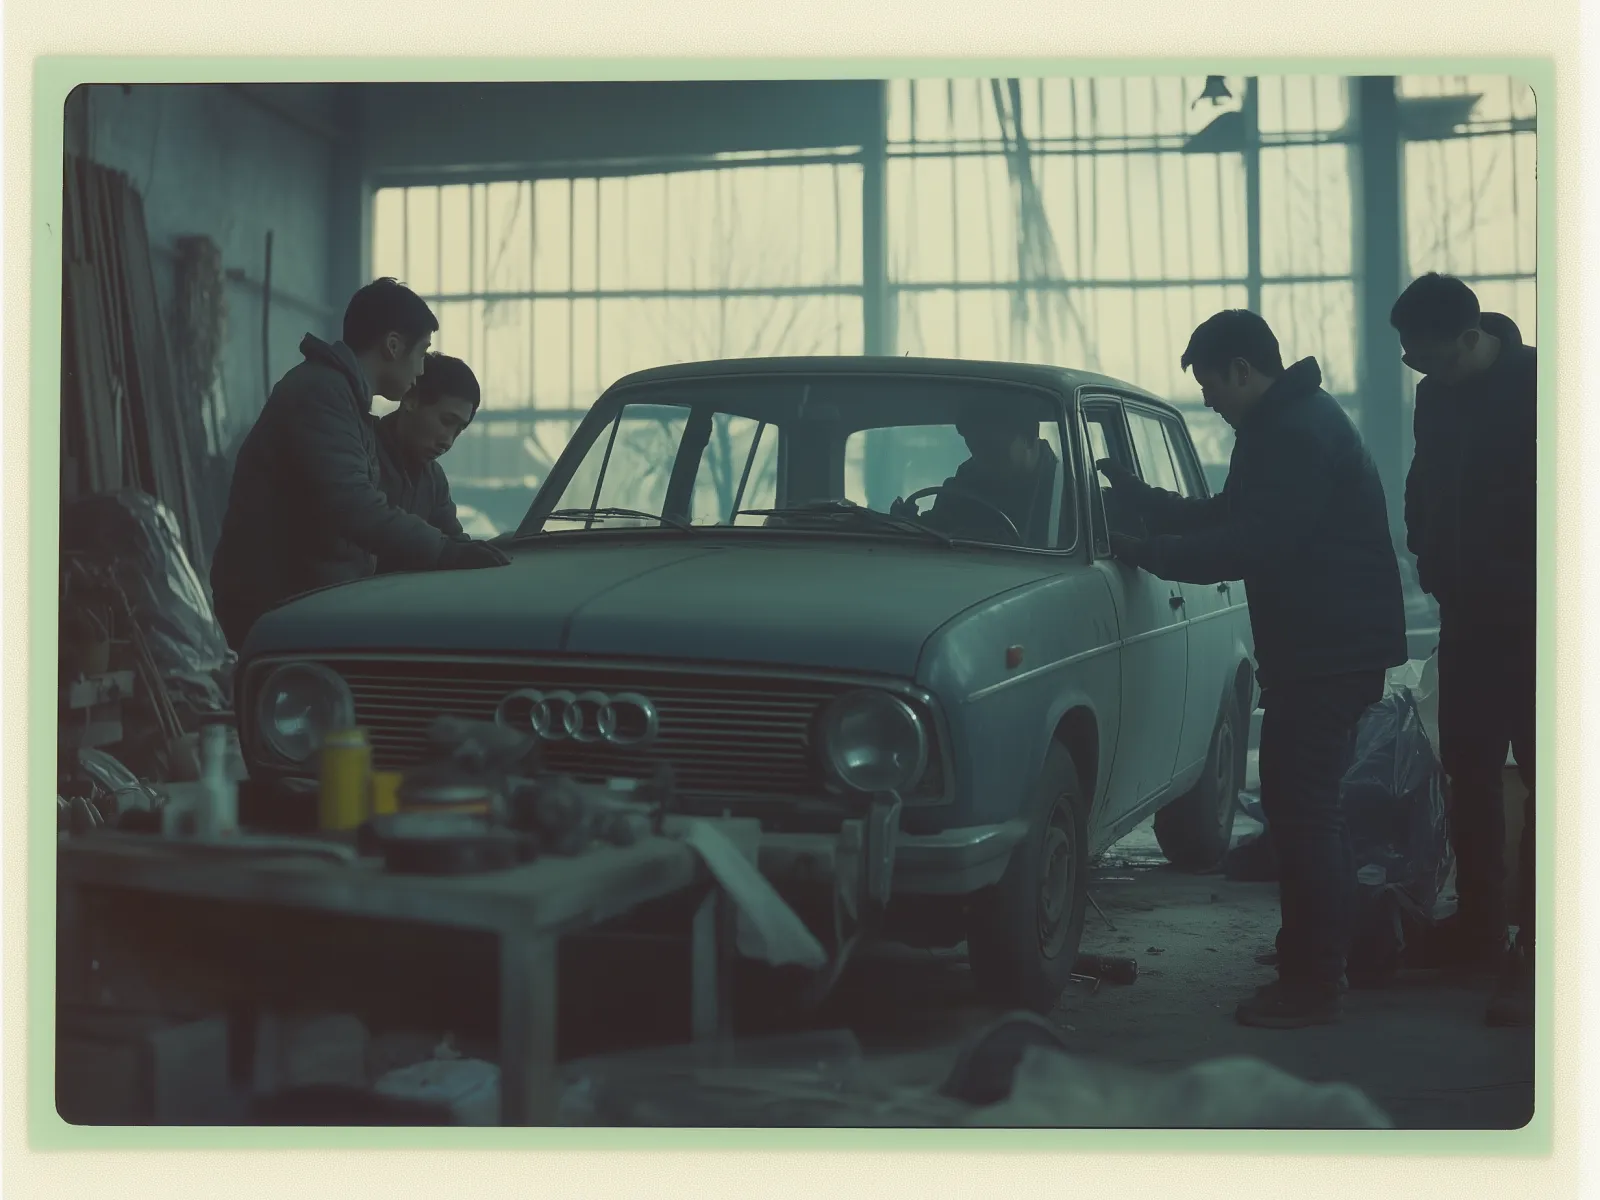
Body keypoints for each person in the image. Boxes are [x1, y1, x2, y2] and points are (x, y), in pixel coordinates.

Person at [1099, 309, 1407, 1028]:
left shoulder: (1294, 435)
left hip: (1325, 655)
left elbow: (1252, 545)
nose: (1207, 399)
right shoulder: (1286, 424)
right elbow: (1227, 516)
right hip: (1330, 648)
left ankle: (1314, 982)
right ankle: (1329, 950)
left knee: (1304, 815)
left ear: (1244, 369)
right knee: (1310, 813)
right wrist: (1143, 503)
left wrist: (1148, 553)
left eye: (1211, 383)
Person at [210, 279, 508, 651]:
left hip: (302, 604)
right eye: (421, 354)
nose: (419, 370)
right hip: (277, 604)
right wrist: (445, 552)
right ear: (393, 346)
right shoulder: (322, 393)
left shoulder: (345, 403)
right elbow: (353, 505)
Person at [1391, 273, 1536, 1027]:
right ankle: (1481, 931)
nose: (1421, 371)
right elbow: (1423, 481)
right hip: (1468, 619)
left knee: (1552, 786)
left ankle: (1542, 956)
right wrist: (1423, 545)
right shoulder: (1434, 396)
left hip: (1544, 625)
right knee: (1469, 773)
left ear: (1471, 337)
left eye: (1429, 357)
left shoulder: (1547, 387)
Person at [373, 351, 481, 566]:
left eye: (458, 430)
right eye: (446, 421)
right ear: (411, 400)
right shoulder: (361, 454)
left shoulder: (433, 478)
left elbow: (455, 543)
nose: (448, 441)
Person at [920, 400, 1061, 545]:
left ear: (1029, 439)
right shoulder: (967, 477)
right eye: (975, 449)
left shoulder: (1064, 491)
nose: (982, 461)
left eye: (995, 451)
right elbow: (938, 526)